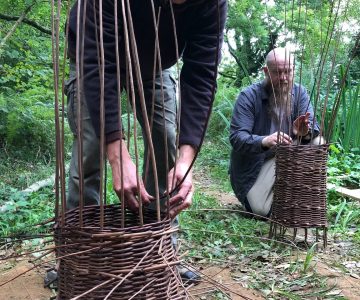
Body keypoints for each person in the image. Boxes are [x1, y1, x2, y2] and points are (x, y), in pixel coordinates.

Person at [65, 0, 227, 217]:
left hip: (155, 64)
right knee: (92, 144)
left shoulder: (212, 4)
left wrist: (186, 161)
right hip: (95, 57)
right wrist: (118, 157)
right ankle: (84, 237)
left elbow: (201, 77)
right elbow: (99, 64)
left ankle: (157, 232)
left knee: (164, 136)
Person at [229, 48, 322, 218]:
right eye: (277, 73)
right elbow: (237, 137)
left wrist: (304, 132)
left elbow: (313, 128)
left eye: (288, 71)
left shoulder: (300, 92)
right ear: (266, 71)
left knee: (318, 142)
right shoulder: (248, 96)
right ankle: (282, 199)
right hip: (256, 164)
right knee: (260, 211)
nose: (284, 78)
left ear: (294, 69)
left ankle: (297, 197)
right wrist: (264, 141)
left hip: (288, 155)